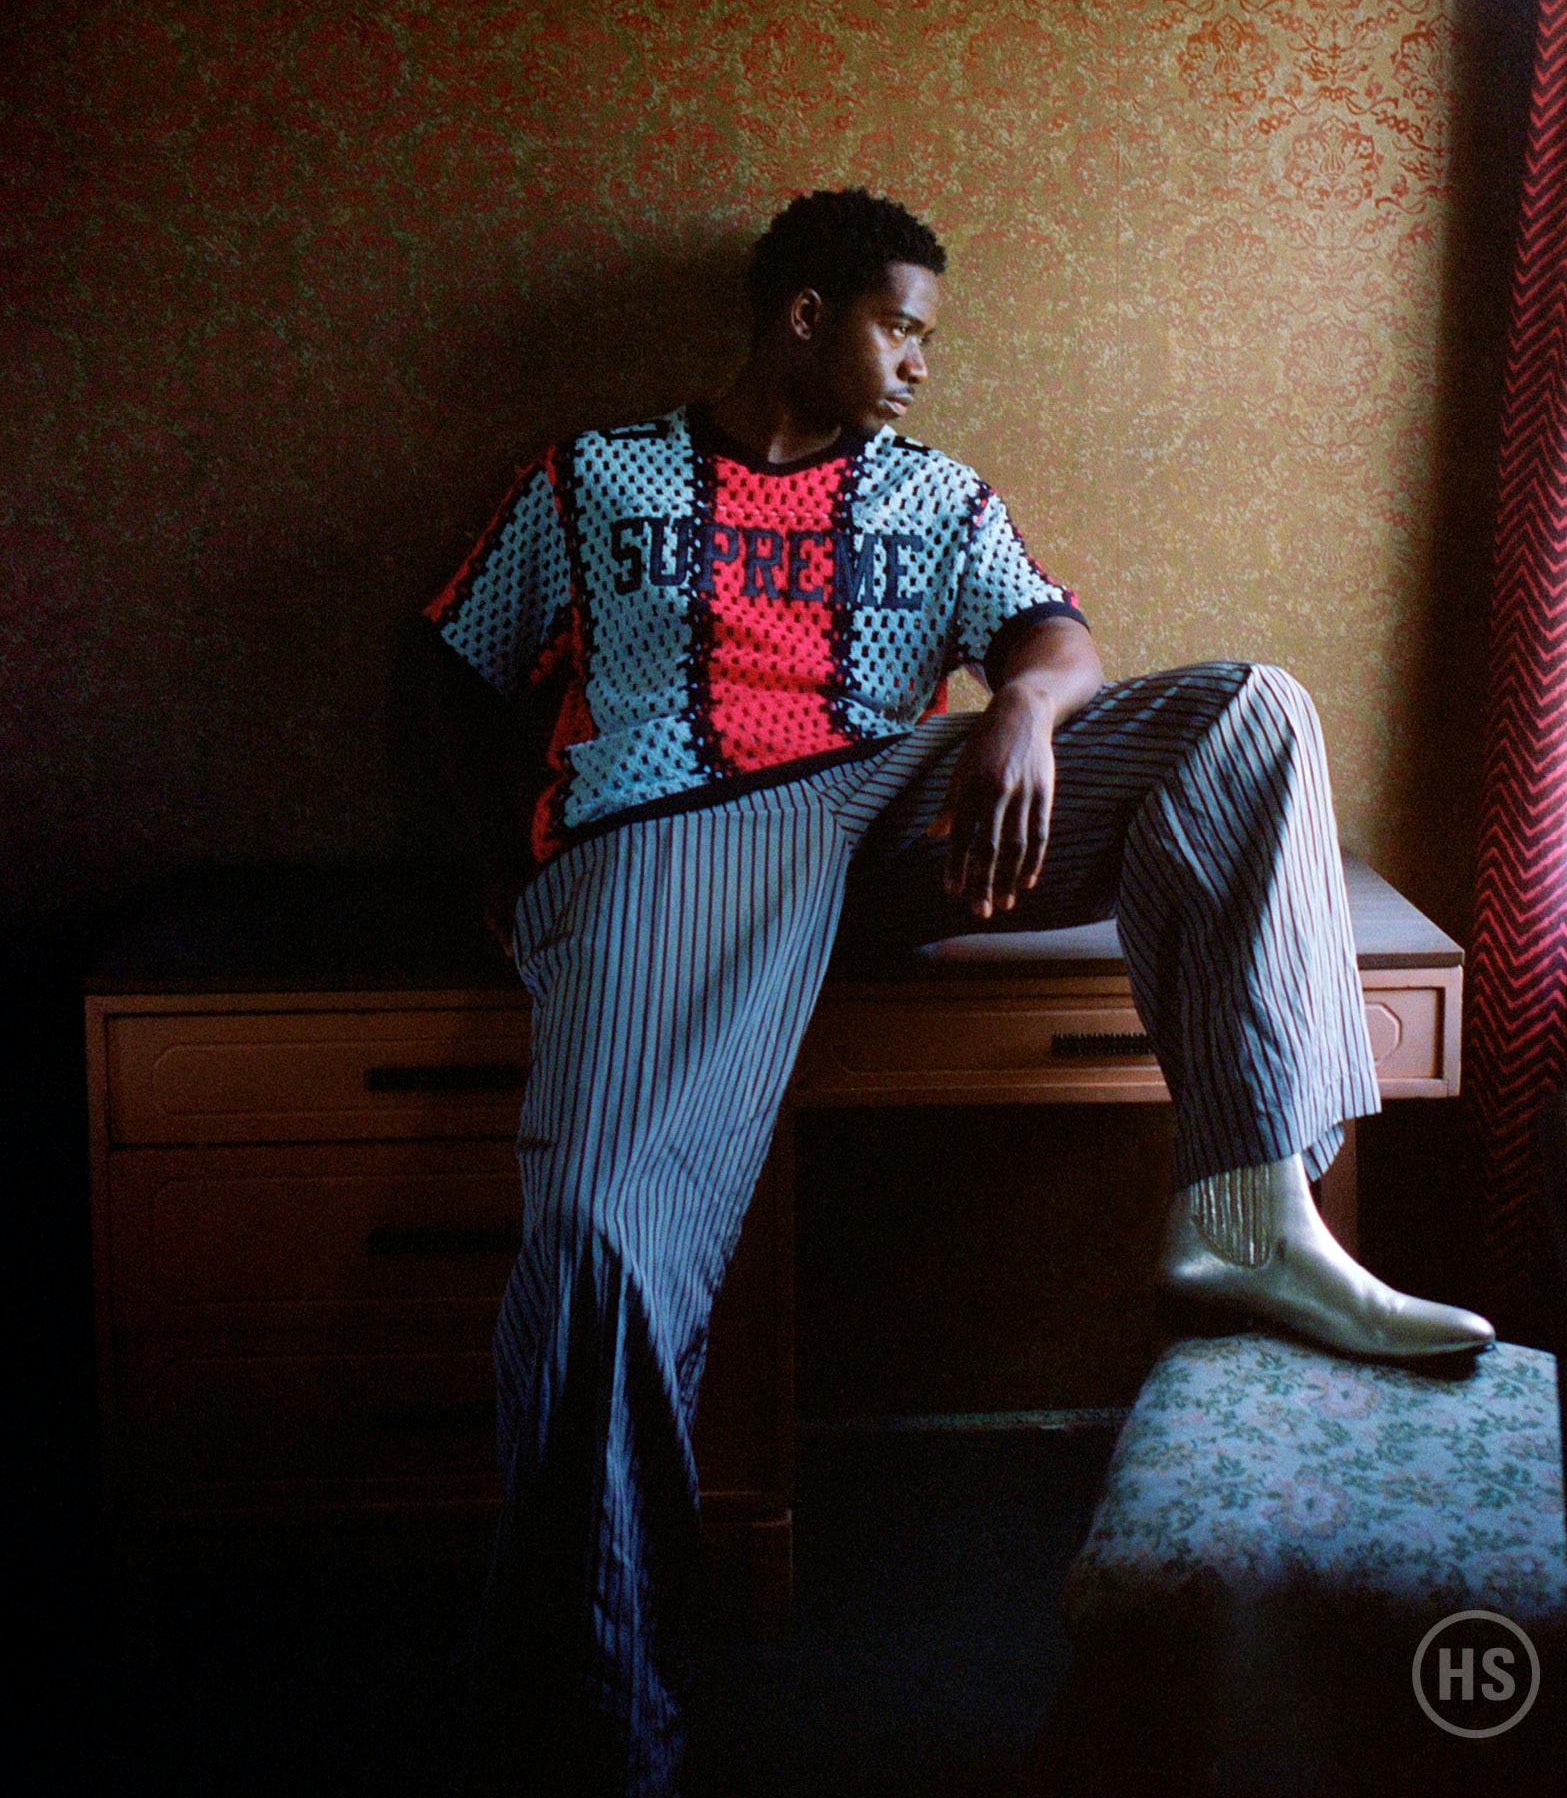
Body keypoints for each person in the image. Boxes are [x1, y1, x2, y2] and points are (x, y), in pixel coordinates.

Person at [420, 188, 1492, 1798]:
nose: (921, 362)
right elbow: (447, 665)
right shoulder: (592, 476)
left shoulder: (932, 494)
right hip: (677, 835)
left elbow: (1052, 633)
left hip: (895, 809)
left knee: (1250, 712)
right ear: (805, 316)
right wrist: (494, 879)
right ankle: (588, 1722)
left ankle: (1250, 1207)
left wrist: (1025, 714)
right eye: (900, 329)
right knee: (600, 1253)